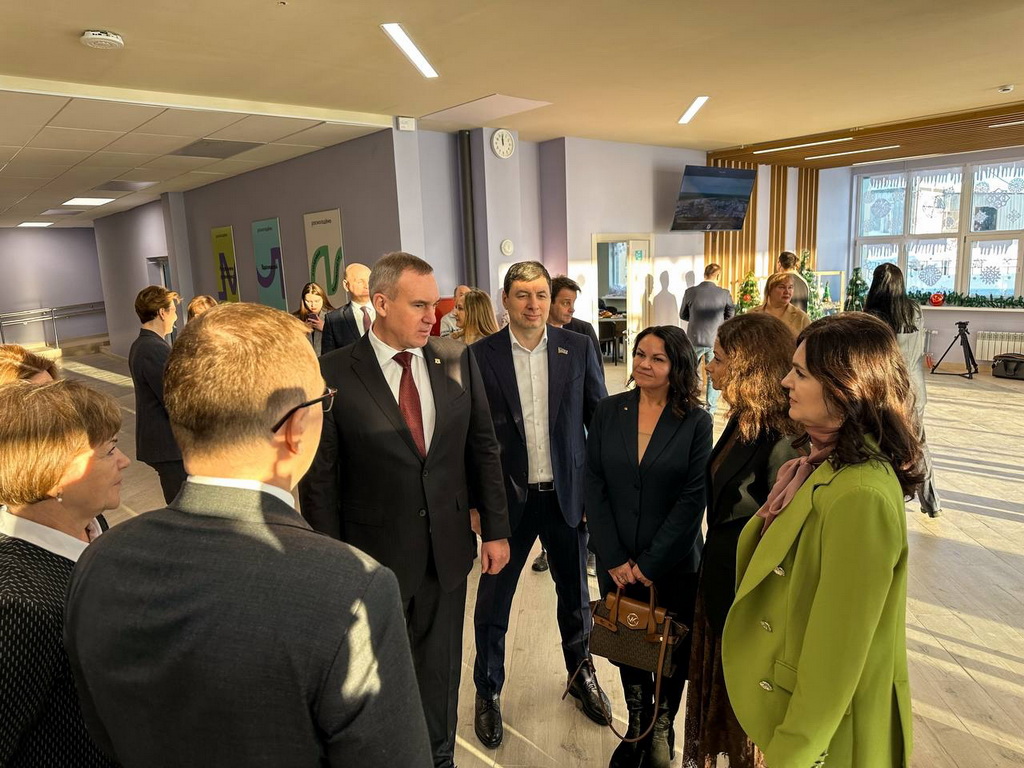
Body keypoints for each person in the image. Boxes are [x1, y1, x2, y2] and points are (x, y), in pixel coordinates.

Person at [64, 303, 432, 768]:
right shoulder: (353, 589)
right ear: (294, 429)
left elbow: (101, 731)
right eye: (323, 400)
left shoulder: (98, 561)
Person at [299, 252, 510, 768]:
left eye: (434, 305)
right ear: (380, 303)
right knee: (380, 679)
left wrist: (496, 529)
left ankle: (441, 758)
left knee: (440, 675)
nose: (432, 316)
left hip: (446, 551)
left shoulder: (456, 358)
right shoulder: (332, 371)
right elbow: (321, 478)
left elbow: (483, 447)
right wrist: (329, 562)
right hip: (372, 559)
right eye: (419, 305)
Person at [722, 313, 922, 768]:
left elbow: (837, 653)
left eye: (801, 373)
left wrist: (792, 751)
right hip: (799, 712)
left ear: (845, 386)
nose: (785, 381)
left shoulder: (860, 495)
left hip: (832, 735)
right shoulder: (824, 465)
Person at [469, 261, 610, 750]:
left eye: (542, 295)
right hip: (506, 504)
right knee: (494, 603)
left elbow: (598, 423)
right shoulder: (479, 356)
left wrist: (595, 495)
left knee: (575, 597)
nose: (534, 305)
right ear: (505, 300)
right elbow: (469, 439)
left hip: (566, 496)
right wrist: (477, 506)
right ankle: (488, 689)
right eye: (523, 295)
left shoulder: (578, 347)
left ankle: (581, 673)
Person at [585, 325, 712, 768]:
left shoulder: (696, 421)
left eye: (657, 358)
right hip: (617, 559)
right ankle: (637, 720)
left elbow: (693, 498)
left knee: (669, 646)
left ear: (678, 366)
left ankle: (662, 726)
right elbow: (593, 482)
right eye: (640, 354)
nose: (644, 363)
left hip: (673, 562)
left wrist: (651, 563)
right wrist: (612, 556)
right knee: (629, 638)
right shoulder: (609, 410)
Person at [682, 313, 800, 768]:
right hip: (721, 586)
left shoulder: (782, 438)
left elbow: (780, 542)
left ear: (749, 367)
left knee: (745, 725)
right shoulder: (745, 419)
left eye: (718, 358)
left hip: (748, 602)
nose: (709, 366)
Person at [0, 379, 128, 767]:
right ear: (55, 474)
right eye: (109, 450)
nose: (124, 460)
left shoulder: (93, 526)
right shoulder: (18, 605)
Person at [865, 262, 941, 517]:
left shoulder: (873, 316)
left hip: (887, 389)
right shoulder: (914, 309)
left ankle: (890, 499)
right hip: (916, 387)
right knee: (919, 443)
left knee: (884, 443)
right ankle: (932, 503)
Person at [128, 285, 185, 504]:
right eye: (173, 311)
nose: (175, 317)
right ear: (162, 312)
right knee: (182, 506)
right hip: (167, 444)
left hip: (164, 444)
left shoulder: (143, 344)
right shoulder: (153, 348)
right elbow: (173, 398)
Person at [681, 263, 735, 414]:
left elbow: (682, 315)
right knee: (714, 374)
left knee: (690, 372)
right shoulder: (724, 293)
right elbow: (731, 315)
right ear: (718, 276)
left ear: (704, 274)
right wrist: (719, 323)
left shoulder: (690, 292)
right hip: (715, 340)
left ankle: (689, 403)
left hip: (694, 338)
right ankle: (710, 409)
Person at [321, 262, 373, 354]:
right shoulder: (334, 319)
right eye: (360, 282)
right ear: (346, 285)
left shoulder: (389, 310)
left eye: (369, 281)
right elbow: (328, 357)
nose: (366, 286)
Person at [549, 275, 602, 362]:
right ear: (549, 302)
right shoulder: (536, 330)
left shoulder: (584, 330)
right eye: (566, 303)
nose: (572, 309)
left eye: (573, 303)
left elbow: (597, 367)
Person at [749, 272, 811, 339]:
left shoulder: (801, 318)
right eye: (782, 287)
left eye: (790, 287)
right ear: (769, 290)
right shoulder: (752, 314)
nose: (787, 292)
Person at [292, 281, 335, 355]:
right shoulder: (295, 318)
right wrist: (302, 331)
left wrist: (325, 328)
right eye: (308, 301)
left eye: (317, 301)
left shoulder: (333, 315)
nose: (313, 305)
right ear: (303, 301)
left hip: (328, 358)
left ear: (323, 299)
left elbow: (344, 341)